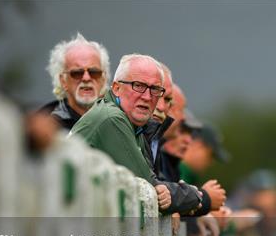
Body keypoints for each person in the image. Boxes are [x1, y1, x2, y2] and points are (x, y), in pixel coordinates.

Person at [70, 54, 201, 213]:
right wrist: (194, 195)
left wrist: (174, 195)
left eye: (154, 89)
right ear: (117, 88)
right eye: (138, 85)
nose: (147, 97)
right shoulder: (113, 119)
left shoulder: (134, 124)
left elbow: (152, 188)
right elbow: (148, 189)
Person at [40, 33, 110, 131]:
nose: (86, 78)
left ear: (104, 78)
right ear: (63, 80)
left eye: (94, 72)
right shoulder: (47, 126)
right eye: (77, 73)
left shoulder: (120, 121)